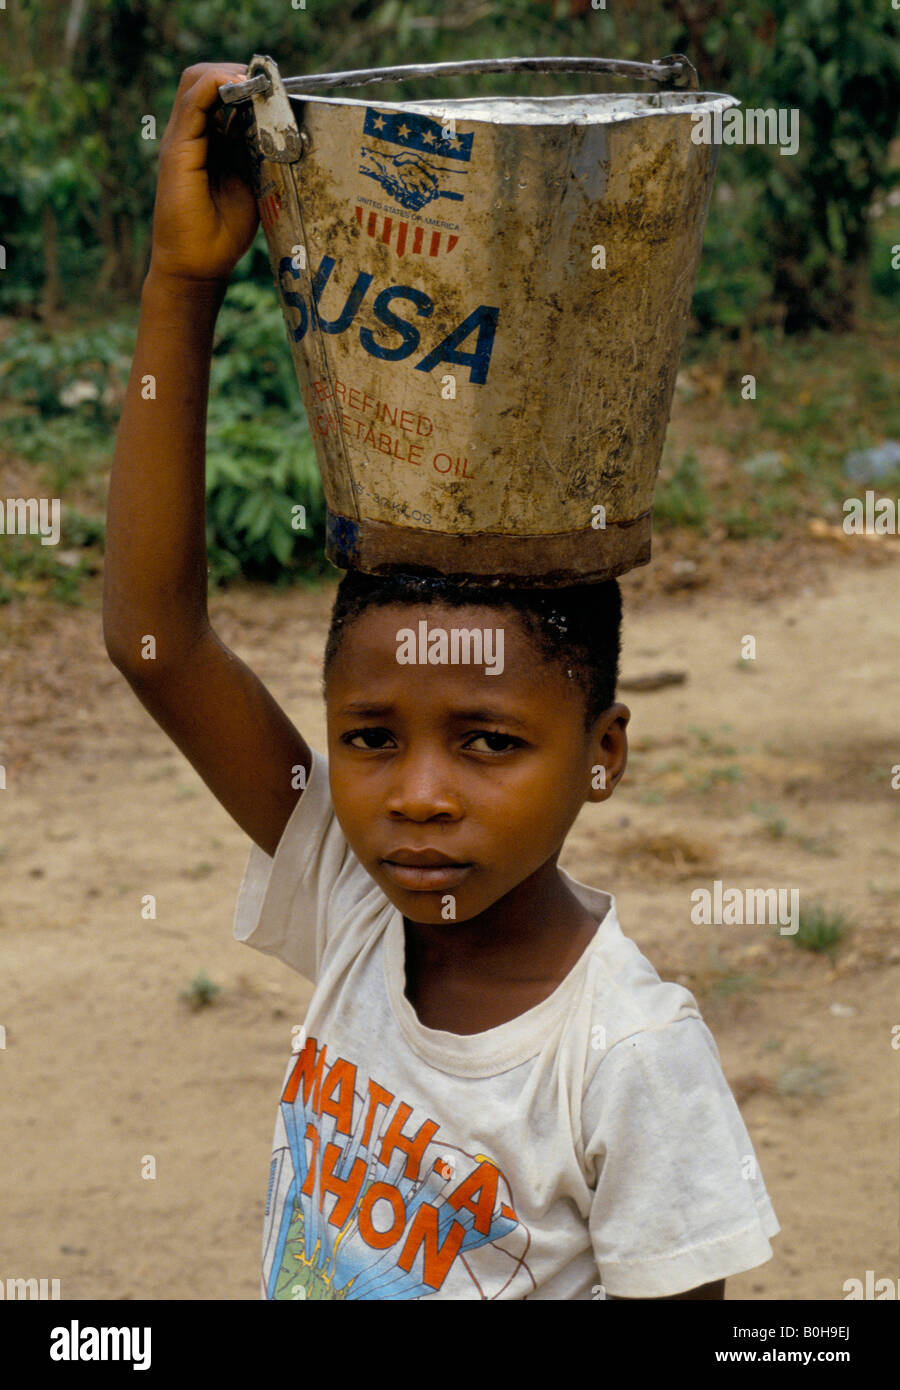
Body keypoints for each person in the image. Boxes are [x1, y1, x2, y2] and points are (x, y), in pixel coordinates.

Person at [104, 63, 779, 1301]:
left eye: (487, 742)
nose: (415, 796)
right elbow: (158, 643)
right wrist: (182, 284)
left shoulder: (624, 1054)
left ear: (603, 751)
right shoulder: (360, 907)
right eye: (369, 737)